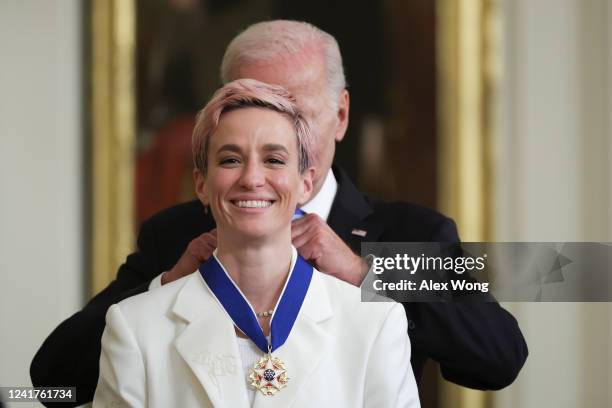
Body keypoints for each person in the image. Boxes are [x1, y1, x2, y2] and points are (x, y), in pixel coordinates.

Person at [31, 20, 527, 407]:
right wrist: (166, 286)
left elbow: (501, 357)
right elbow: (53, 380)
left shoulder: (415, 232)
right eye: (250, 106)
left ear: (340, 115)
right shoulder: (177, 232)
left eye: (293, 114)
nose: (261, 161)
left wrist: (368, 273)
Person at [92, 78, 420, 407]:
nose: (251, 179)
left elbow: (466, 295)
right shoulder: (135, 326)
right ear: (201, 184)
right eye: (230, 160)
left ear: (306, 183)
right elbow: (50, 369)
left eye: (274, 160)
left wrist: (363, 271)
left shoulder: (376, 323)